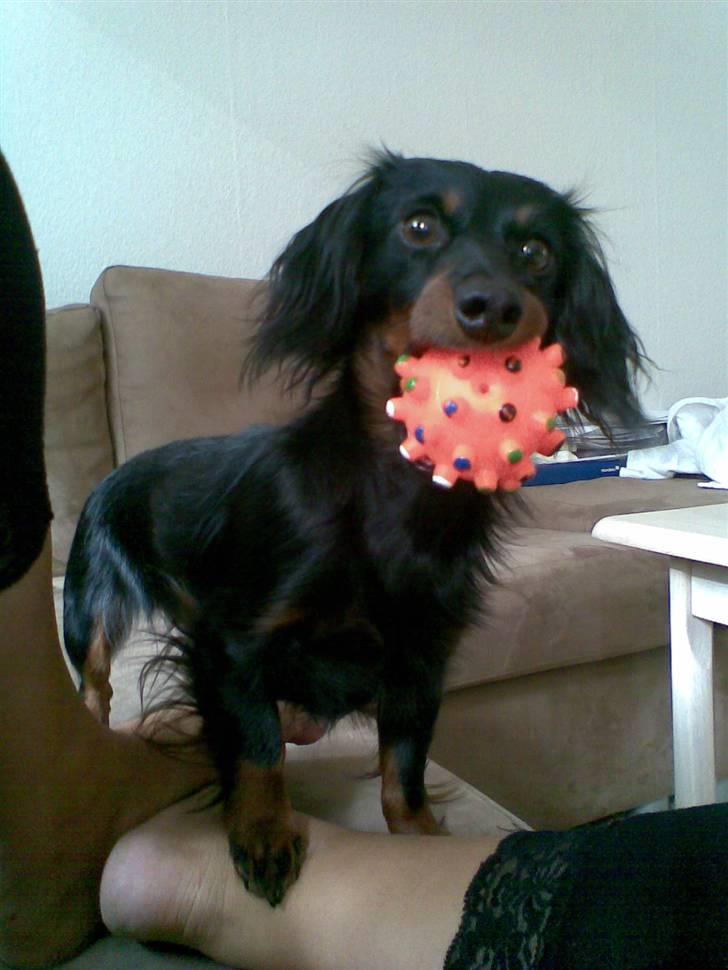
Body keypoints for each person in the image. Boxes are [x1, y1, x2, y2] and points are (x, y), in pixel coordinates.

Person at [1, 148, 726, 970]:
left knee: (408, 654)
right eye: (422, 229)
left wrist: (406, 807)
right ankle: (123, 729)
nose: (487, 290)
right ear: (357, 279)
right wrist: (258, 803)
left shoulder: (465, 529)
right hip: (130, 517)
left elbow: (416, 673)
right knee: (157, 660)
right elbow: (229, 647)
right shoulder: (287, 509)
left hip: (422, 539)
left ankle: (399, 799)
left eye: (531, 258)